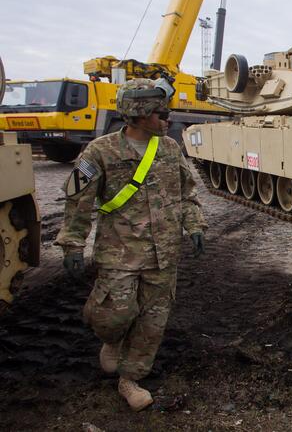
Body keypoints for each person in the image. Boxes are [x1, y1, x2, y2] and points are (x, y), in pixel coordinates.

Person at [55, 78, 207, 411]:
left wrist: (194, 226)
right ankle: (111, 340)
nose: (166, 117)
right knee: (113, 315)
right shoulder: (100, 151)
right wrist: (73, 244)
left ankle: (131, 379)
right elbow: (77, 201)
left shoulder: (168, 148)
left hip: (164, 254)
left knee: (153, 321)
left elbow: (187, 193)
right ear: (138, 114)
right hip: (119, 252)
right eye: (159, 112)